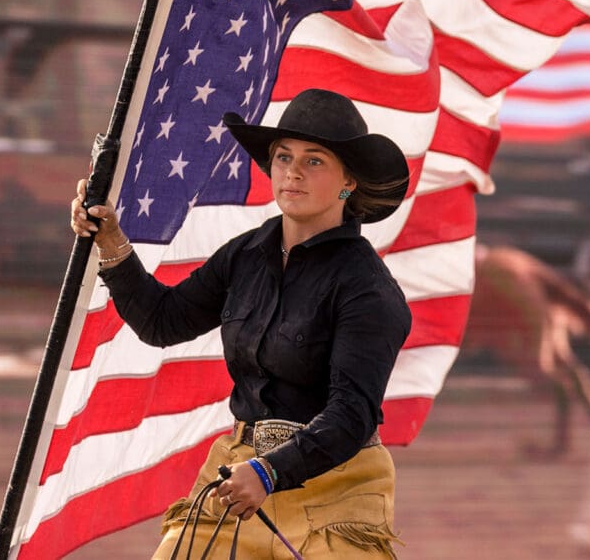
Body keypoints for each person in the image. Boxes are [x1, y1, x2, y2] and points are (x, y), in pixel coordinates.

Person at [71, 88, 412, 559]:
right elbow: (162, 322)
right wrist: (109, 240)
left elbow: (352, 415)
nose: (292, 172)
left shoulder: (368, 288)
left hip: (337, 488)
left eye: (314, 161)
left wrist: (270, 472)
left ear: (348, 181)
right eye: (283, 157)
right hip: (238, 476)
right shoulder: (245, 255)